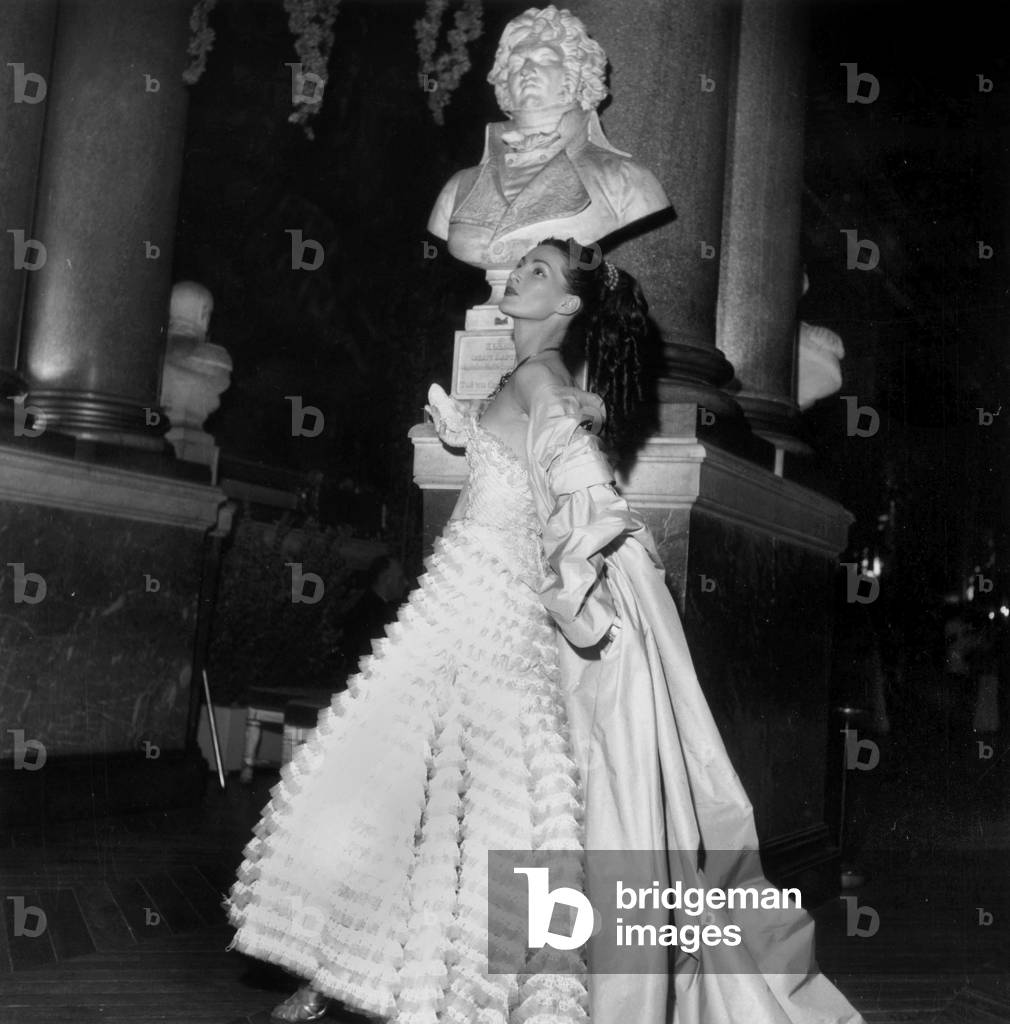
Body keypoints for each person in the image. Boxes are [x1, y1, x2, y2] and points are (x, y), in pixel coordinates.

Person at [225, 239, 863, 1024]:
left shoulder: (540, 377)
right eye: (520, 264)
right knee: (410, 784)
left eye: (538, 272)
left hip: (491, 617)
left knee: (467, 798)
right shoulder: (531, 378)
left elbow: (585, 493)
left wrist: (568, 569)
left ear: (566, 306)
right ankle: (357, 975)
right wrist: (475, 439)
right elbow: (533, 462)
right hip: (455, 603)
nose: (516, 275)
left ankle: (460, 994)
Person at [427, 5, 671, 270]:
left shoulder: (625, 181)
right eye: (517, 62)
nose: (526, 69)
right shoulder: (458, 188)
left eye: (544, 59)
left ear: (574, 73)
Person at [338, 554, 408, 671]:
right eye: (400, 578)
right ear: (386, 579)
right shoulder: (370, 612)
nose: (405, 583)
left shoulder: (369, 605)